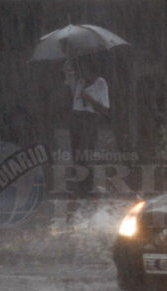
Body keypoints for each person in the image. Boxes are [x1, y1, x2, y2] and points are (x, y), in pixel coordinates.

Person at [63, 57, 110, 195]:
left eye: (87, 71)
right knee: (76, 152)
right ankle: (77, 185)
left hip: (89, 120)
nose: (85, 74)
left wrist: (88, 98)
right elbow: (67, 73)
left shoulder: (101, 83)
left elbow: (105, 109)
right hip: (76, 118)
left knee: (86, 152)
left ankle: (87, 186)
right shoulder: (79, 81)